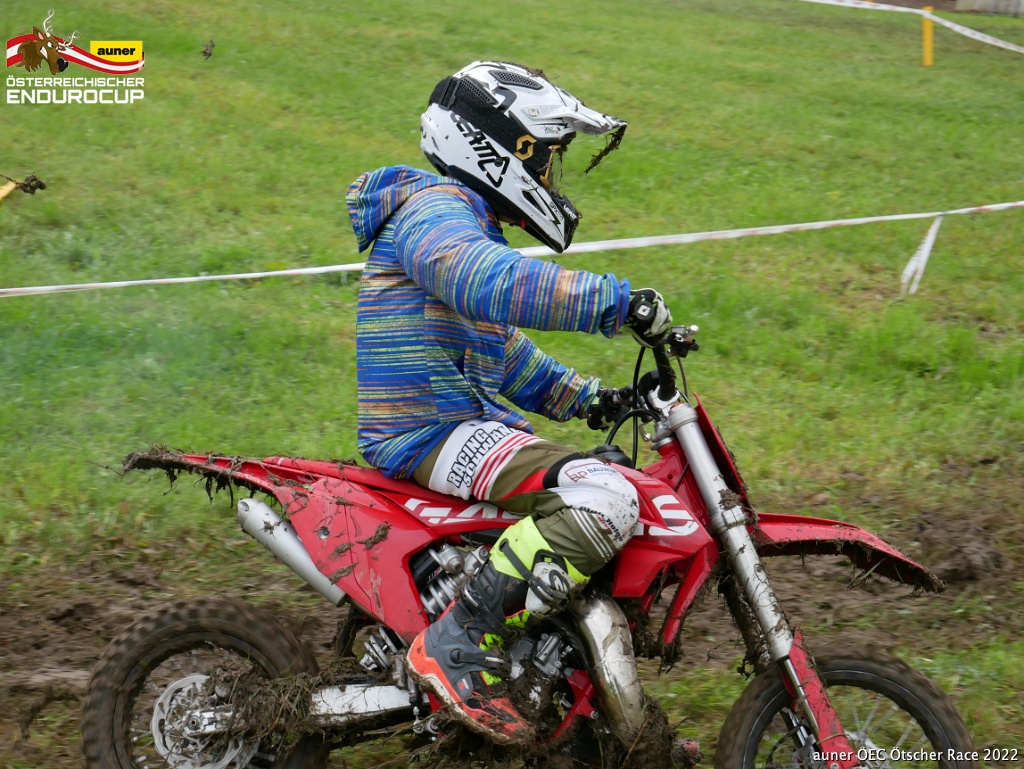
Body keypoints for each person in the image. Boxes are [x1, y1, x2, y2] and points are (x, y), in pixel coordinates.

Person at [345, 61, 674, 744]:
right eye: (546, 157)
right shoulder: (434, 211)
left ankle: (565, 690)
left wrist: (593, 398)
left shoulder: (459, 221)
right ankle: (460, 643)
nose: (551, 176)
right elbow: (489, 282)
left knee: (603, 481)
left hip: (450, 426)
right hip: (428, 429)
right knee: (605, 498)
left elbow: (507, 353)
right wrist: (613, 302)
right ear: (498, 148)